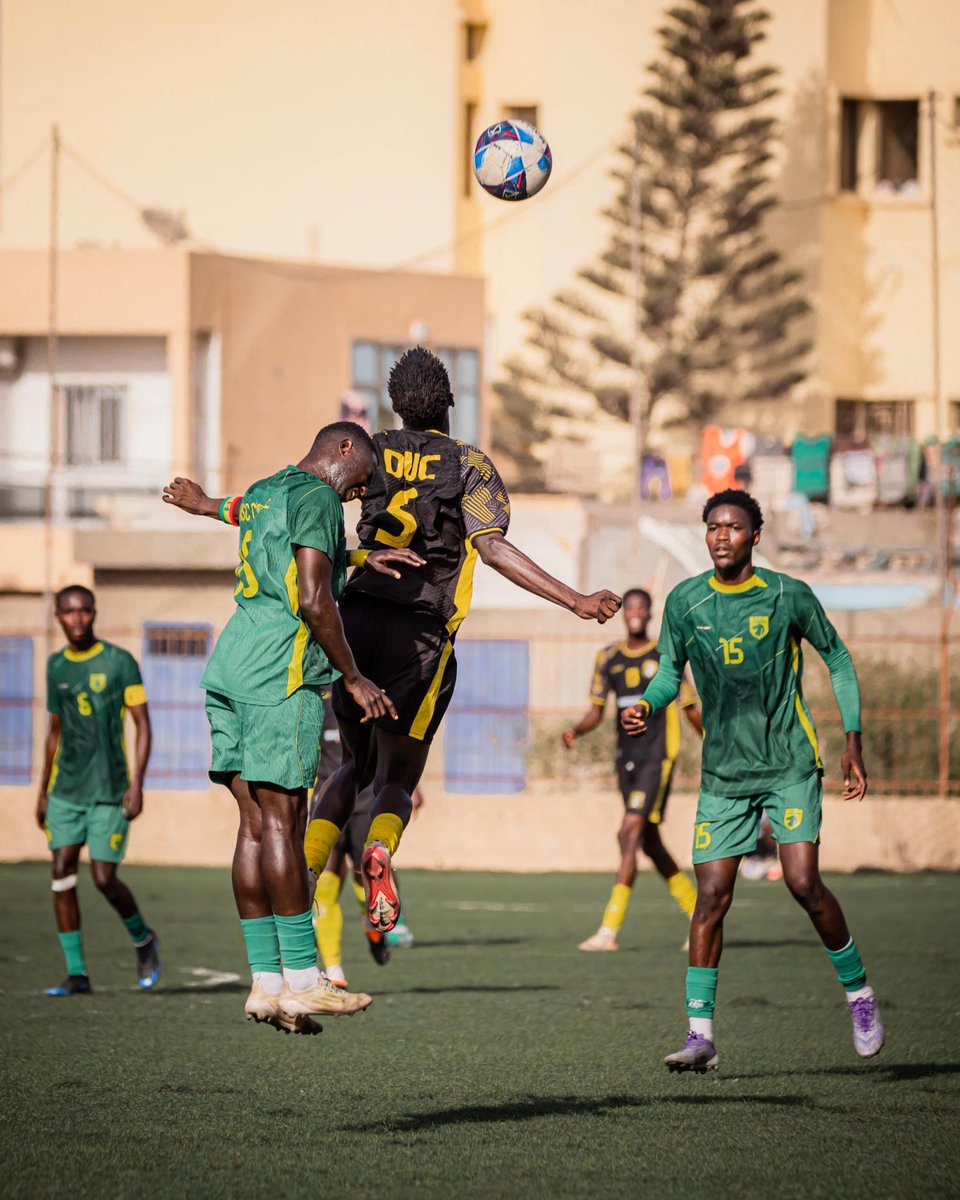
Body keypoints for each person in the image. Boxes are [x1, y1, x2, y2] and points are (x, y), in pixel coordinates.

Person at [301, 348, 622, 932]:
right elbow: (492, 547)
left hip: (353, 621)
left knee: (350, 763)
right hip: (421, 635)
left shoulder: (367, 449)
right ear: (451, 402)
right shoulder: (470, 463)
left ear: (396, 407)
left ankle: (305, 867)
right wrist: (574, 600)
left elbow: (313, 500)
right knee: (397, 777)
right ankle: (378, 852)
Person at [163, 421, 421, 1035]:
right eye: (364, 478)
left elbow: (246, 517)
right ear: (342, 450)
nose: (361, 493)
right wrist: (352, 675)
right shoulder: (319, 497)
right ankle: (306, 981)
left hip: (230, 669)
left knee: (253, 825)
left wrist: (358, 555)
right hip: (280, 678)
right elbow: (312, 597)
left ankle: (266, 985)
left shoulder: (270, 486)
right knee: (285, 822)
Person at [622, 489, 884, 1071]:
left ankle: (860, 996)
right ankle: (699, 1036)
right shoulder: (686, 601)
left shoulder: (789, 594)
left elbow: (837, 659)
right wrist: (649, 703)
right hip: (724, 772)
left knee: (802, 883)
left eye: (734, 527)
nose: (721, 536)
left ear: (755, 536)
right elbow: (669, 670)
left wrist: (853, 742)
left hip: (789, 761)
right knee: (711, 895)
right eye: (713, 526)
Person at [562, 587, 702, 953]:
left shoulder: (665, 655)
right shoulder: (607, 657)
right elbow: (596, 710)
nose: (636, 613)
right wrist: (576, 729)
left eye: (642, 607)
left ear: (650, 612)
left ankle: (608, 931)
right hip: (627, 757)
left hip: (658, 754)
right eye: (631, 607)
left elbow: (689, 708)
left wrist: (715, 742)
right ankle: (699, 915)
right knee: (650, 843)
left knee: (628, 833)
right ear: (623, 613)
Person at [36, 585, 159, 996]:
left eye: (84, 611)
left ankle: (143, 938)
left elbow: (143, 725)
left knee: (104, 878)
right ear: (58, 615)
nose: (77, 619)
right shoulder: (56, 667)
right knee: (61, 872)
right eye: (68, 612)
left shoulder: (119, 662)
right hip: (65, 792)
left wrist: (138, 783)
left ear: (94, 613)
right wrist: (42, 790)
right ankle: (77, 974)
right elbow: (54, 732)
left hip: (110, 791)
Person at [311, 701, 422, 989]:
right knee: (325, 890)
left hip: (365, 803)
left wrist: (412, 786)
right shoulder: (318, 701)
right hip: (328, 803)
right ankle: (334, 970)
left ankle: (374, 930)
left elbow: (395, 747)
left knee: (368, 884)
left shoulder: (370, 697)